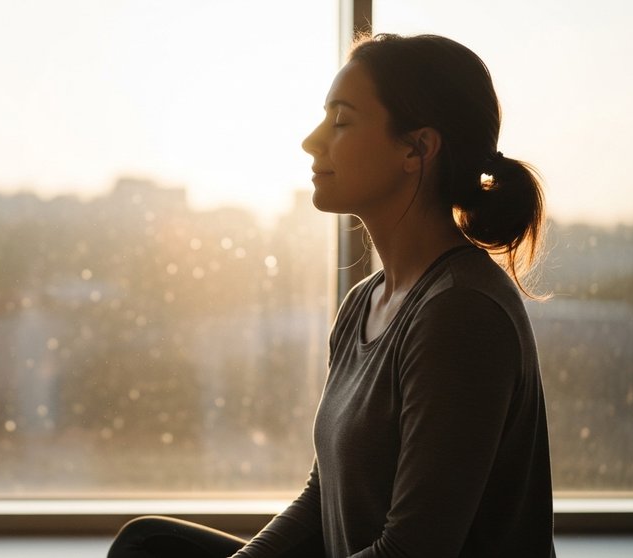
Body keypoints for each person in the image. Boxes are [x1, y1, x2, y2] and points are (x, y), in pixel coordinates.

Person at [107, 33, 556, 557]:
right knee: (147, 545)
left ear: (417, 149)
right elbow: (322, 497)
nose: (312, 141)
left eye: (340, 121)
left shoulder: (461, 313)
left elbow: (413, 552)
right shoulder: (366, 302)